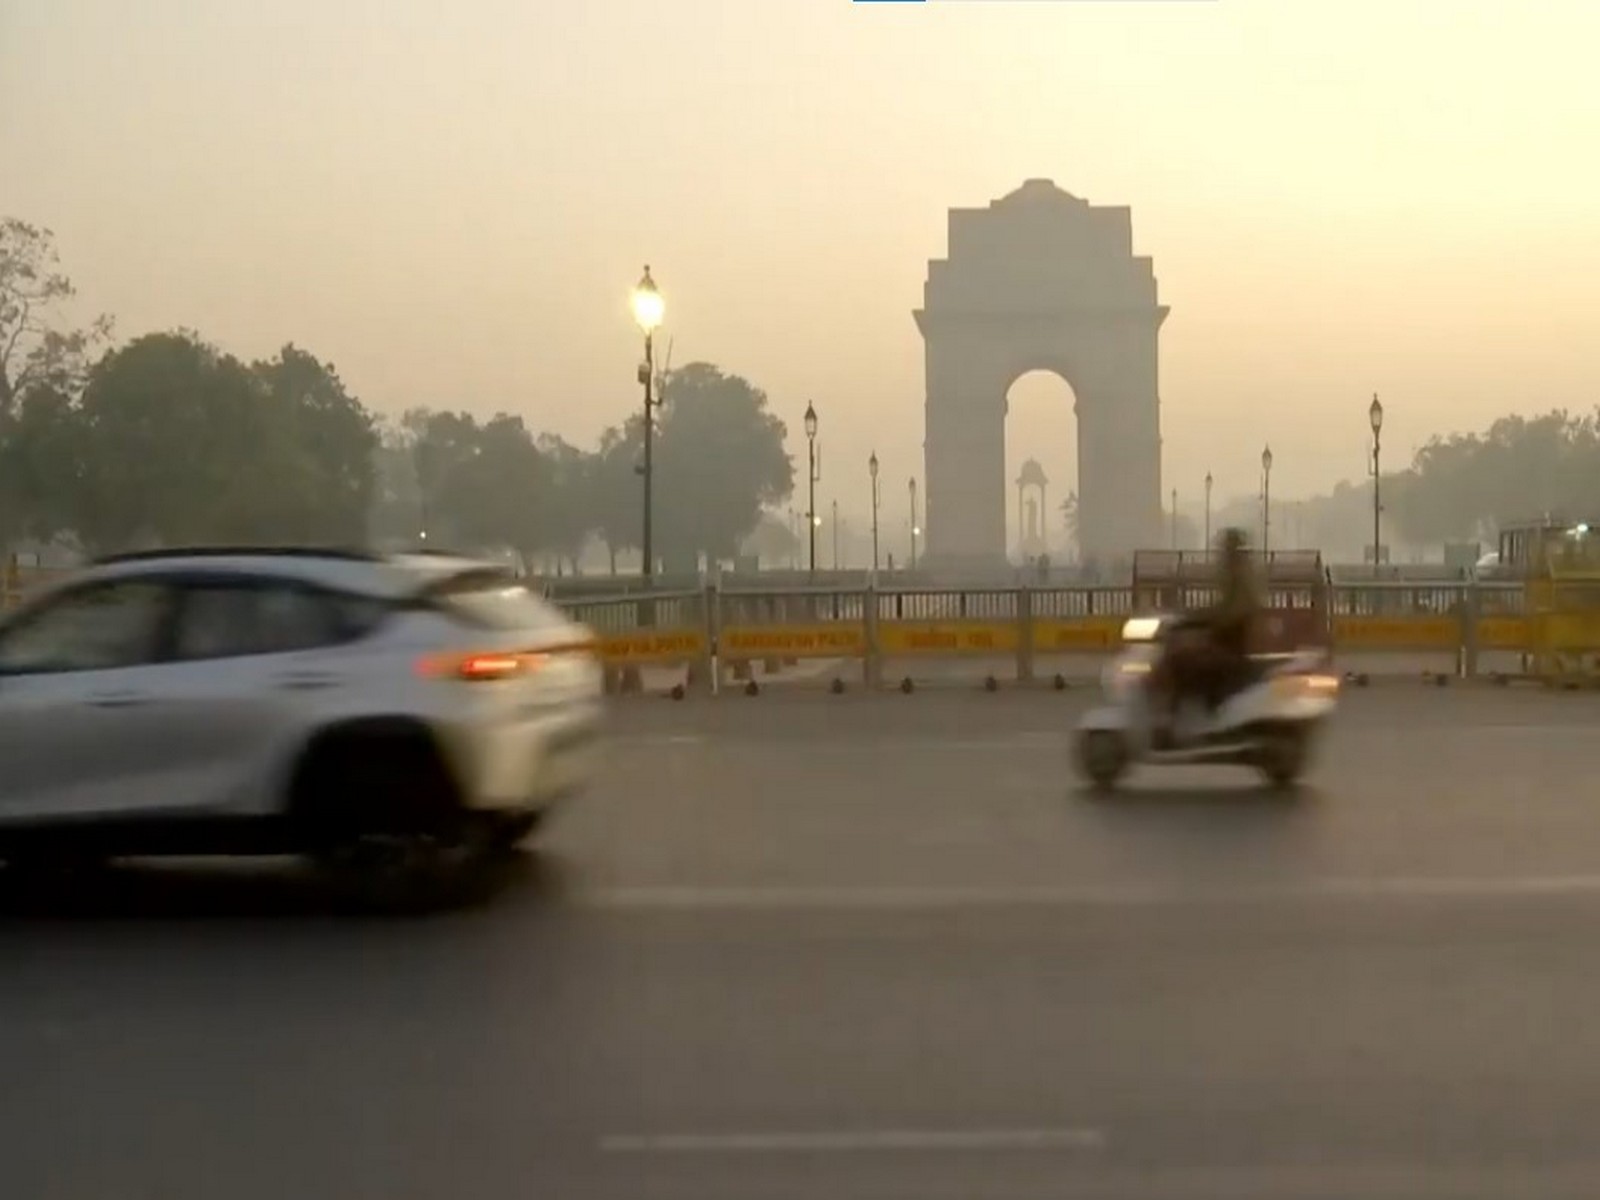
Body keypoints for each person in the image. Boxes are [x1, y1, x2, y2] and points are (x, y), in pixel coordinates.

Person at [1153, 528, 1261, 738]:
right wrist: (1193, 618)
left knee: (1177, 662)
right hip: (1228, 642)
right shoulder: (1241, 578)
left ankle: (1171, 722)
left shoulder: (1241, 580)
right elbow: (1222, 610)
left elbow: (1229, 613)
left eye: (1225, 551)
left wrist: (1196, 619)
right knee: (1186, 653)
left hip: (1232, 648)